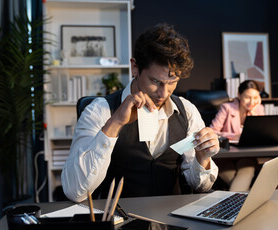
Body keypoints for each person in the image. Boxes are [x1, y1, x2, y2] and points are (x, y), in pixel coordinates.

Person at [61, 23, 220, 202]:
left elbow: (200, 186)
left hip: (174, 220)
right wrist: (114, 124)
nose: (164, 93)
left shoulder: (187, 111)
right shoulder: (100, 111)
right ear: (135, 67)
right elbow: (75, 191)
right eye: (155, 81)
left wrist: (202, 158)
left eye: (172, 82)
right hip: (118, 221)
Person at [210, 80, 264, 191]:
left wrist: (253, 115)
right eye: (247, 97)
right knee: (241, 182)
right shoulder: (227, 108)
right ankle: (248, 200)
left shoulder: (259, 109)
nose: (251, 101)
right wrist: (233, 136)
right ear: (239, 95)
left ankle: (238, 204)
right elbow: (212, 131)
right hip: (225, 157)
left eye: (255, 97)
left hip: (246, 156)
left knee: (247, 169)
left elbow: (261, 133)